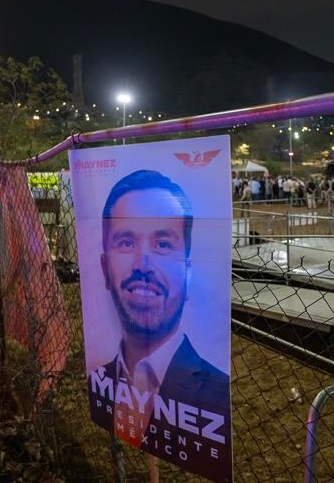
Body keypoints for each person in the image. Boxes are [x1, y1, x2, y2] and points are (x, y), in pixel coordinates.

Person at [87, 170, 230, 474]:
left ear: (189, 273)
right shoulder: (97, 379)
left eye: (164, 245)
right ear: (104, 268)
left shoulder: (217, 393)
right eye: (126, 243)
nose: (143, 265)